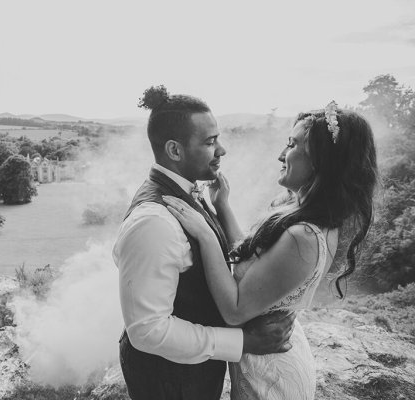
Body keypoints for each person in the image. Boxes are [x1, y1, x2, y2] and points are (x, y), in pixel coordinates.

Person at [163, 101, 378, 399]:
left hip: (272, 376)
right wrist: (222, 206)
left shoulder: (303, 235)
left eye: (292, 145)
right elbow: (254, 265)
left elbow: (235, 311)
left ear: (320, 161)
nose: (281, 154)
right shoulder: (302, 211)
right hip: (265, 360)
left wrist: (205, 234)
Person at [113, 85, 296, 400]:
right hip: (167, 380)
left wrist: (221, 207)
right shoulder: (154, 222)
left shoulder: (187, 192)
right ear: (174, 150)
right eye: (211, 141)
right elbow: (146, 331)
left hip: (189, 373)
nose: (221, 150)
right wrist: (243, 342)